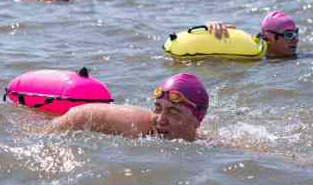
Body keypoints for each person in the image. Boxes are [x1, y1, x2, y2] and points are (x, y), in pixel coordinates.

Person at [48, 73, 209, 142]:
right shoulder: (134, 125)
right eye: (158, 108)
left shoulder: (200, 140)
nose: (161, 120)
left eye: (173, 112)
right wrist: (46, 131)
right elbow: (79, 114)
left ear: (197, 121)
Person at [208, 10, 298, 58]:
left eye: (296, 33)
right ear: (268, 38)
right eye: (289, 35)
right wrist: (213, 27)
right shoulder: (252, 55)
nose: (296, 39)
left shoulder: (303, 58)